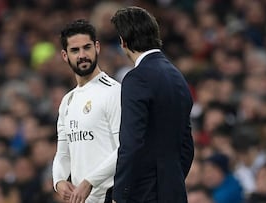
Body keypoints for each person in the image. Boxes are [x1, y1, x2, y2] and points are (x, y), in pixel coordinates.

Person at [110, 6, 194, 203]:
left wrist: (120, 194)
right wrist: (172, 179)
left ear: (123, 41)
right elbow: (187, 145)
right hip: (174, 189)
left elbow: (131, 143)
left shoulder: (136, 79)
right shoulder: (177, 76)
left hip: (144, 193)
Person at [52, 19, 121, 203]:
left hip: (111, 196)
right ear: (65, 55)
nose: (82, 55)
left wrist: (89, 181)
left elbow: (125, 148)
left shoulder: (114, 92)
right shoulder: (67, 101)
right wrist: (58, 181)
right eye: (75, 50)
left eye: (87, 47)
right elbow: (63, 153)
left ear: (97, 47)